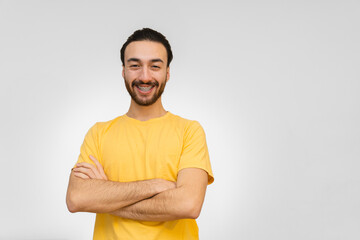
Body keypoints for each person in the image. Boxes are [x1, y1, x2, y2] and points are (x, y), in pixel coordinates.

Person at [66, 28, 214, 240]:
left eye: (155, 66)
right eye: (135, 66)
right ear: (124, 71)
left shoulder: (190, 131)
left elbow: (188, 205)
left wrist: (106, 196)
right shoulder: (98, 133)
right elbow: (77, 199)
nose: (145, 77)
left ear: (168, 73)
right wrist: (156, 186)